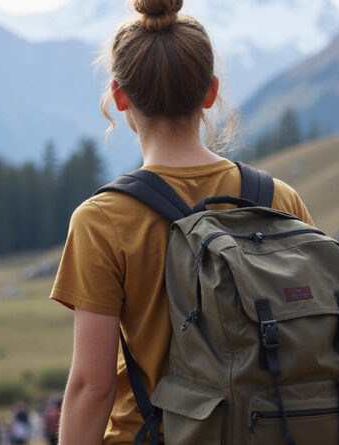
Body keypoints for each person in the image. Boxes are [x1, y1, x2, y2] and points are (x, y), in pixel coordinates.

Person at [49, 1, 315, 443]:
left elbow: (92, 388)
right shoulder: (279, 199)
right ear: (210, 93)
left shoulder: (102, 220)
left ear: (118, 97)